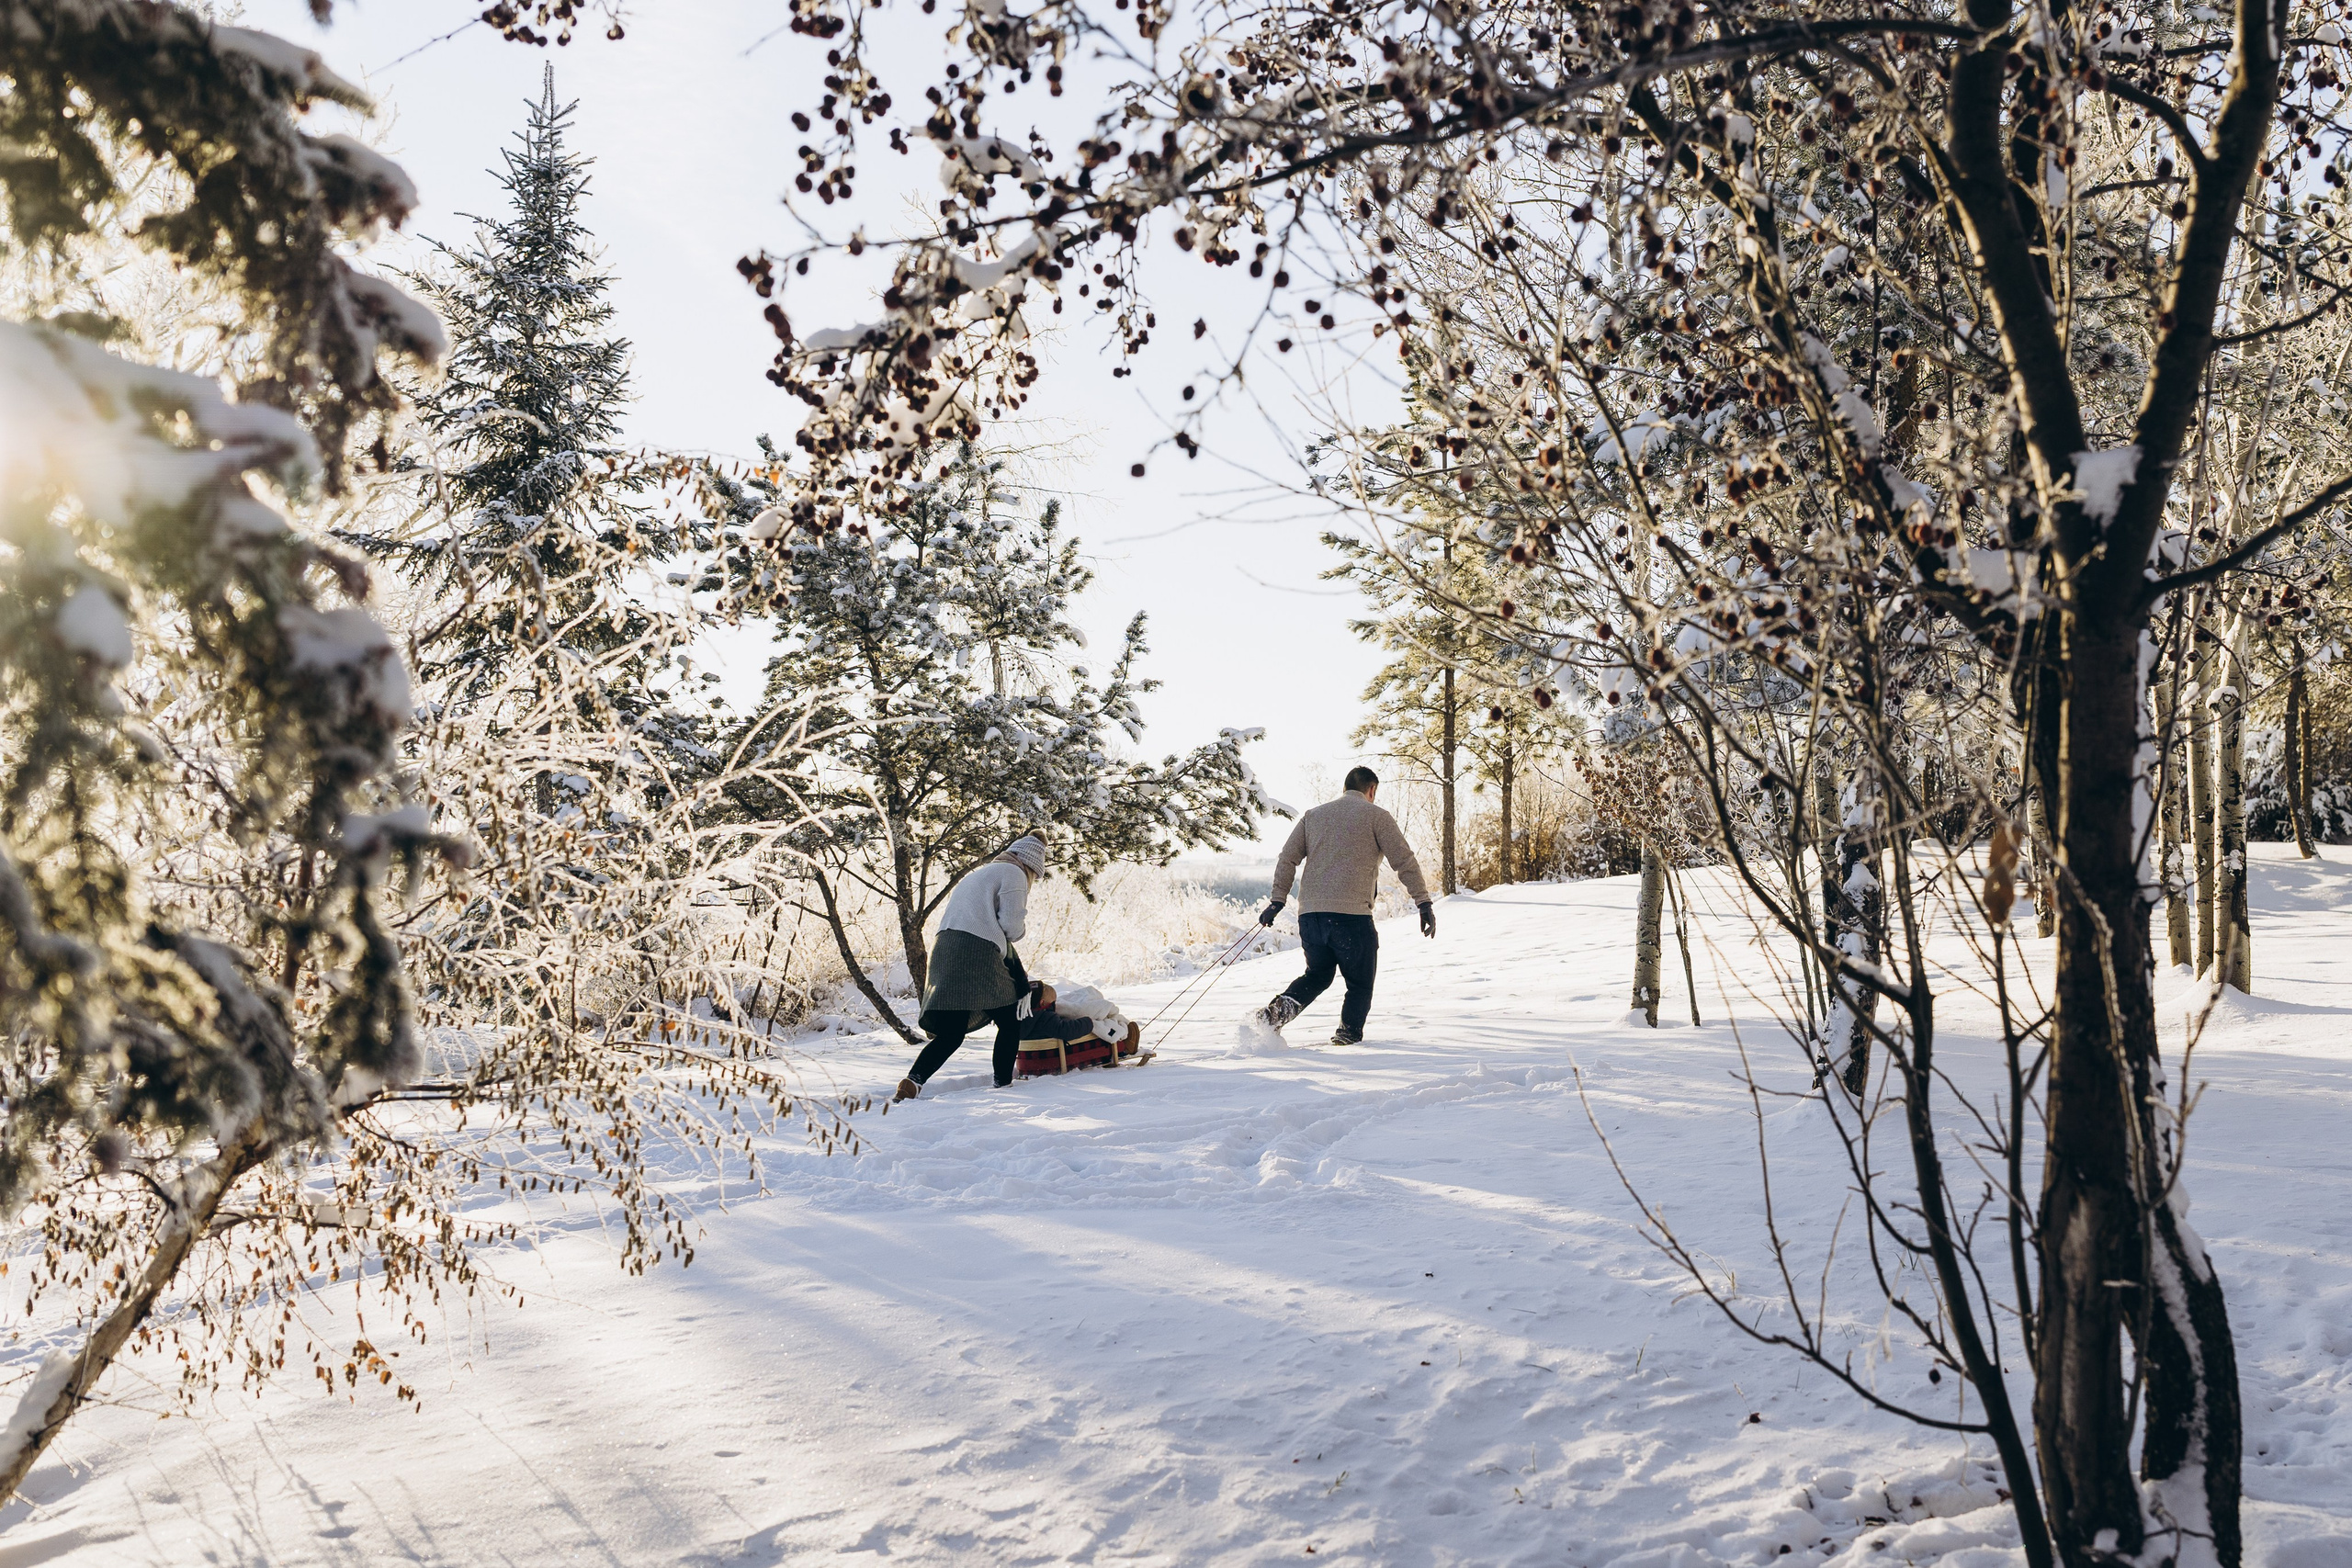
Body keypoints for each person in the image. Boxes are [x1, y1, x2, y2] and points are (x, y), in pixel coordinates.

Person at [1251, 766, 1433, 1046]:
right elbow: (1404, 861)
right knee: (1359, 983)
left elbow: (1287, 858)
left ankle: (1273, 1016)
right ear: (1371, 790)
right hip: (1351, 917)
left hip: (1311, 916)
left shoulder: (1313, 816)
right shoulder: (1377, 816)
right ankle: (1347, 1036)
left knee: (1318, 975)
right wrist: (1423, 902)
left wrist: (1278, 900)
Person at [894, 834, 1048, 1100]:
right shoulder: (1014, 874)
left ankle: (913, 1081)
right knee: (1009, 1019)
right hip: (977, 948)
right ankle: (1002, 1083)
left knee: (951, 1033)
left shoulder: (979, 874)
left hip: (944, 947)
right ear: (1032, 866)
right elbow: (1011, 926)